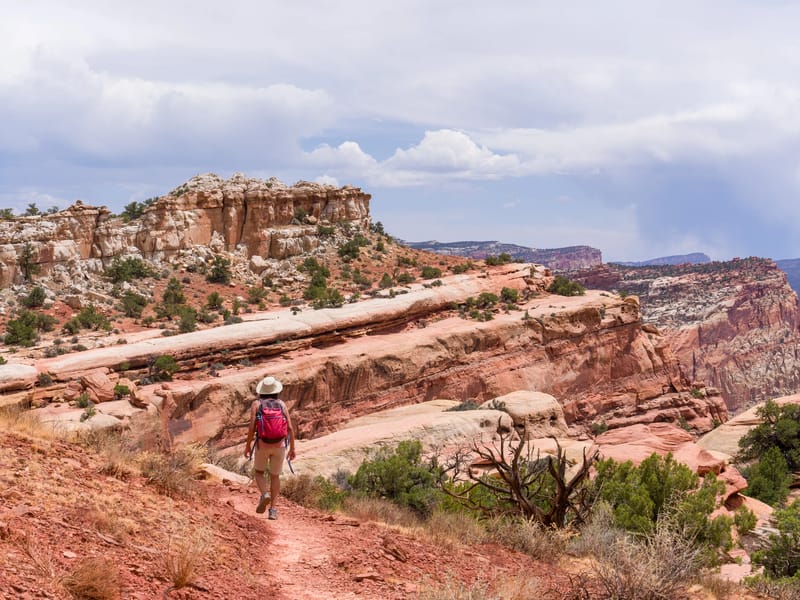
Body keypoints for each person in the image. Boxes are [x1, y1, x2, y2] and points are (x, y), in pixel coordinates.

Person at [244, 376, 296, 520]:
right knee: (275, 476)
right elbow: (290, 428)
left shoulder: (256, 404)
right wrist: (292, 448)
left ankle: (264, 493)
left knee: (259, 473)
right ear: (276, 391)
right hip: (280, 445)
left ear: (261, 391)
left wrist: (248, 446)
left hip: (262, 444)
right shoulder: (281, 404)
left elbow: (251, 428)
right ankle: (273, 510)